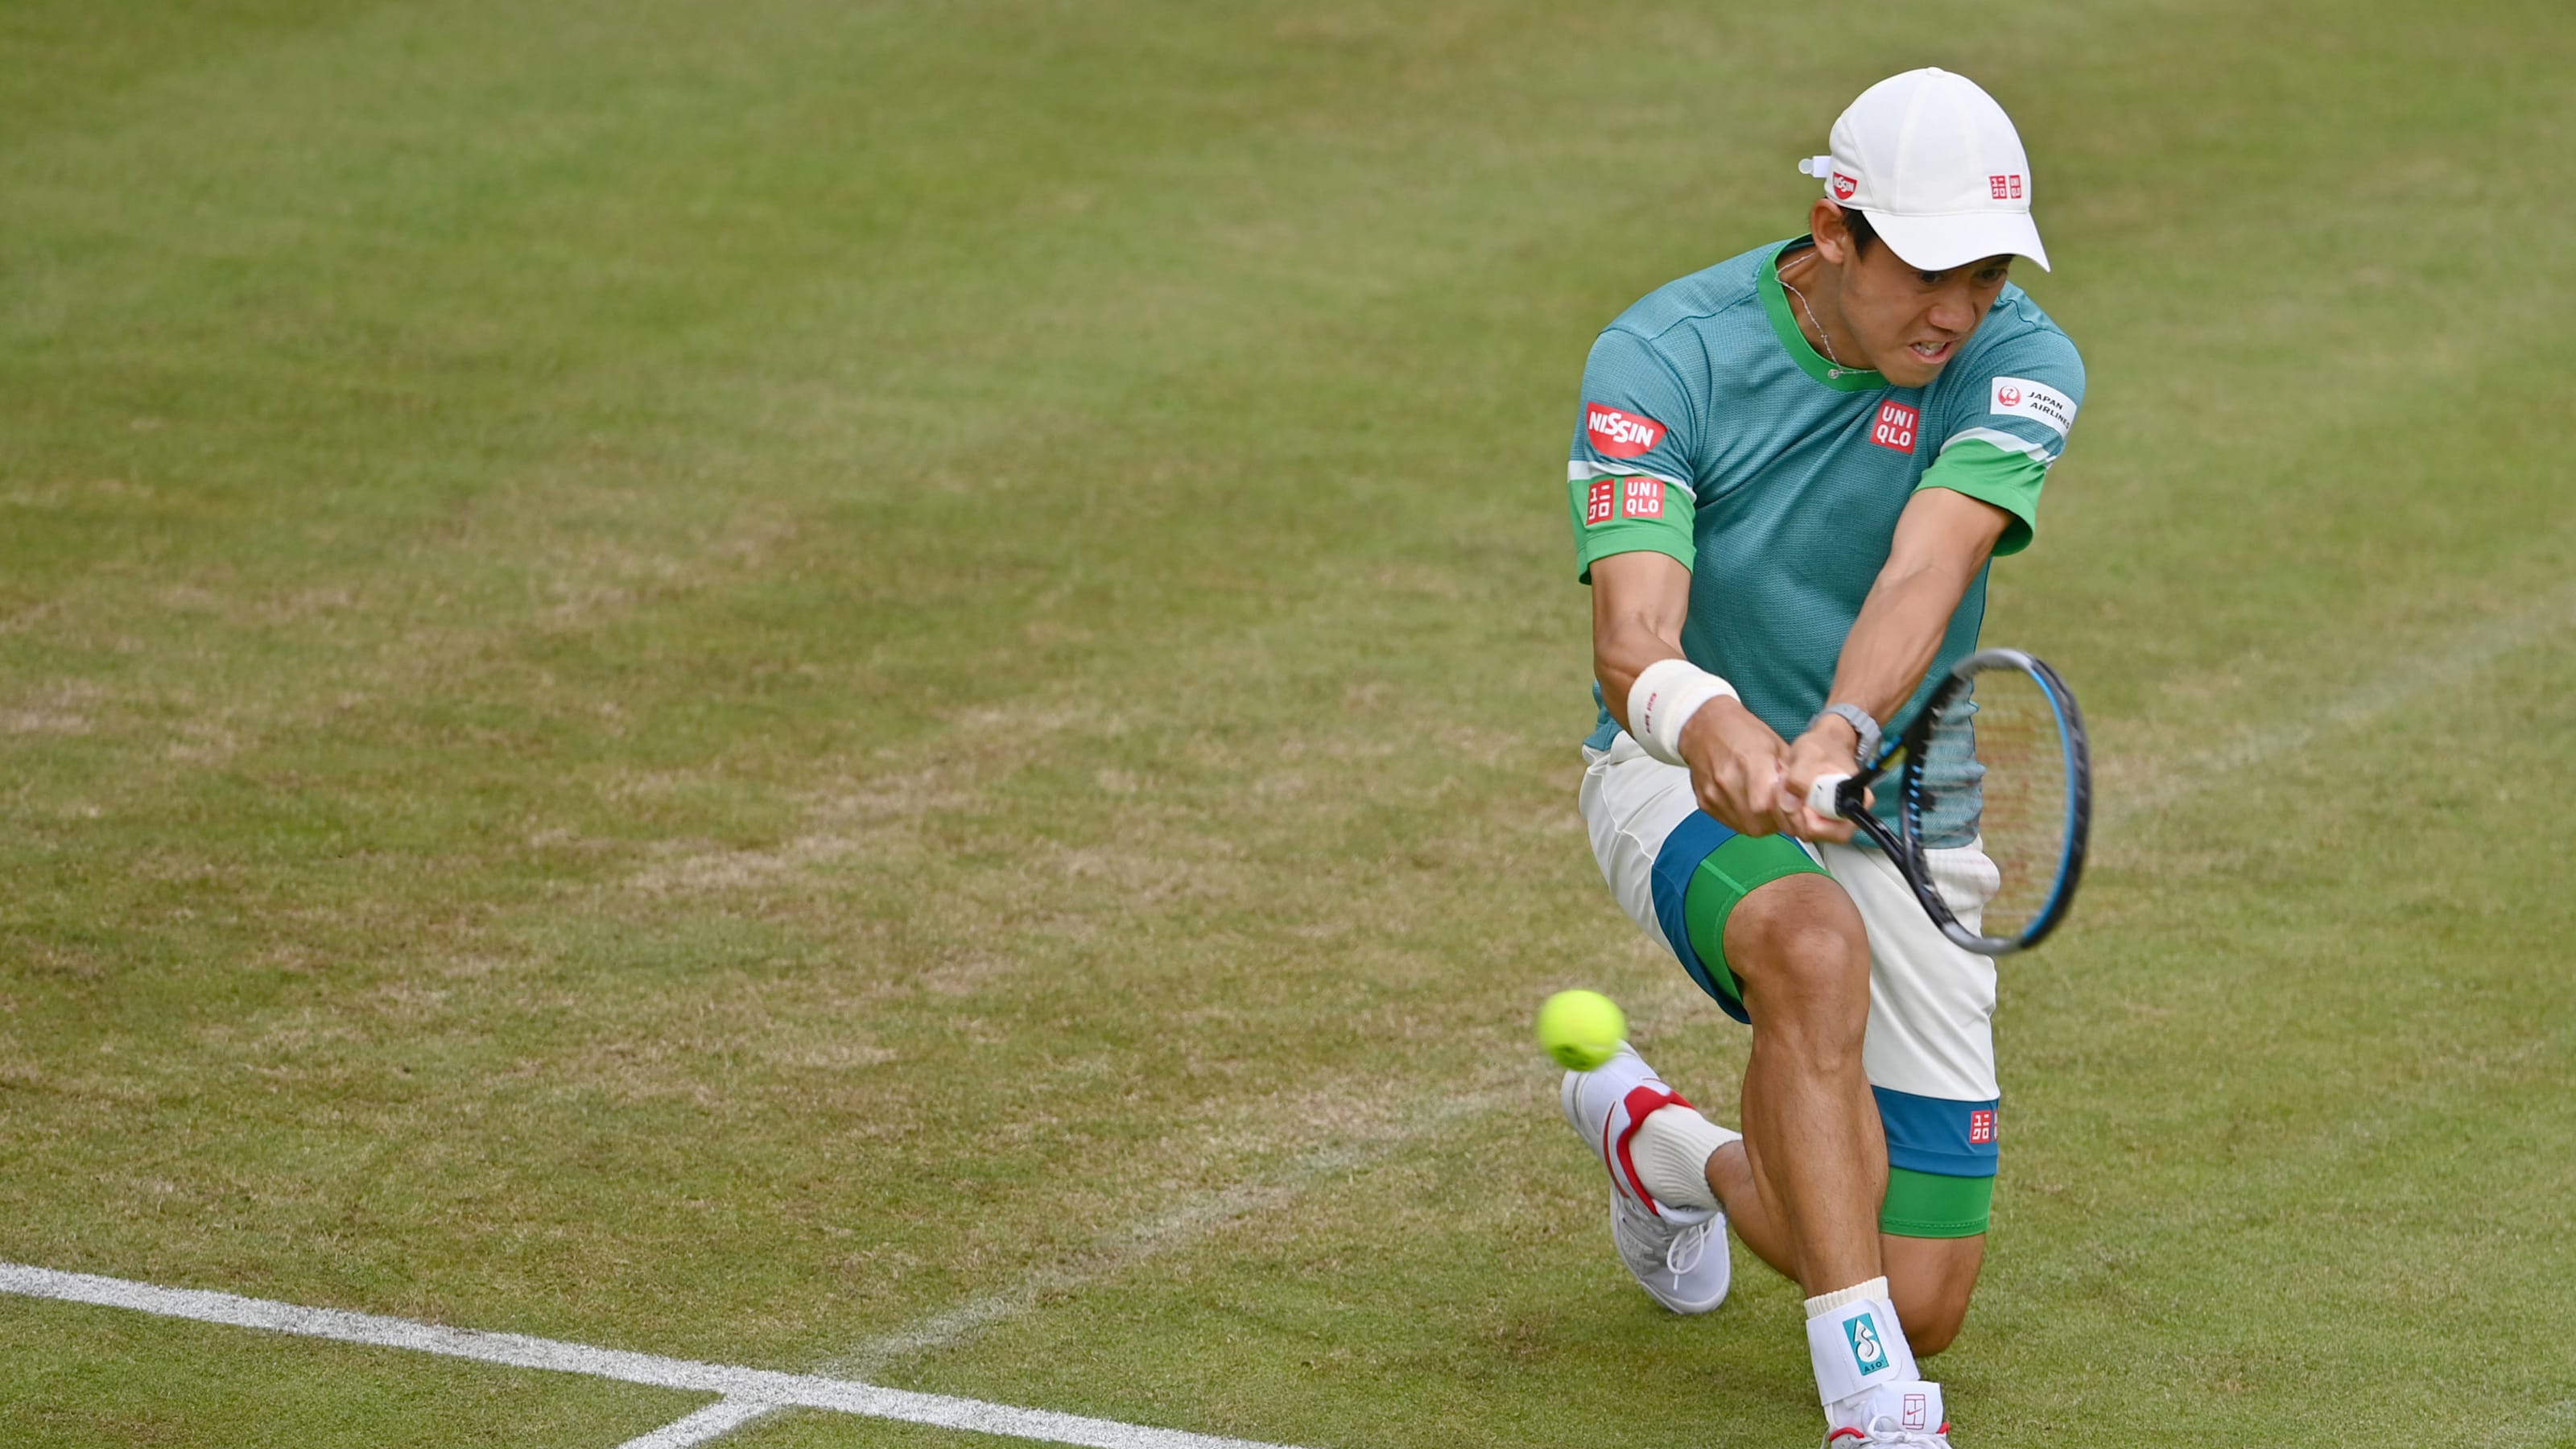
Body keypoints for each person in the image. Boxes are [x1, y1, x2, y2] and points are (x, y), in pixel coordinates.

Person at [1556, 68, 2084, 1447]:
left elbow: (1930, 564)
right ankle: (1870, 1399)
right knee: (1808, 949)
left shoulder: (2021, 358)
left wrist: (1837, 734)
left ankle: (1660, 1147)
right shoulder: (1661, 355)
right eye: (1925, 271)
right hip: (1670, 772)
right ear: (1833, 228)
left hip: (1899, 806)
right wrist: (1706, 721)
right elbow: (1634, 634)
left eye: (1982, 273)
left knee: (1925, 1292)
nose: (1958, 309)